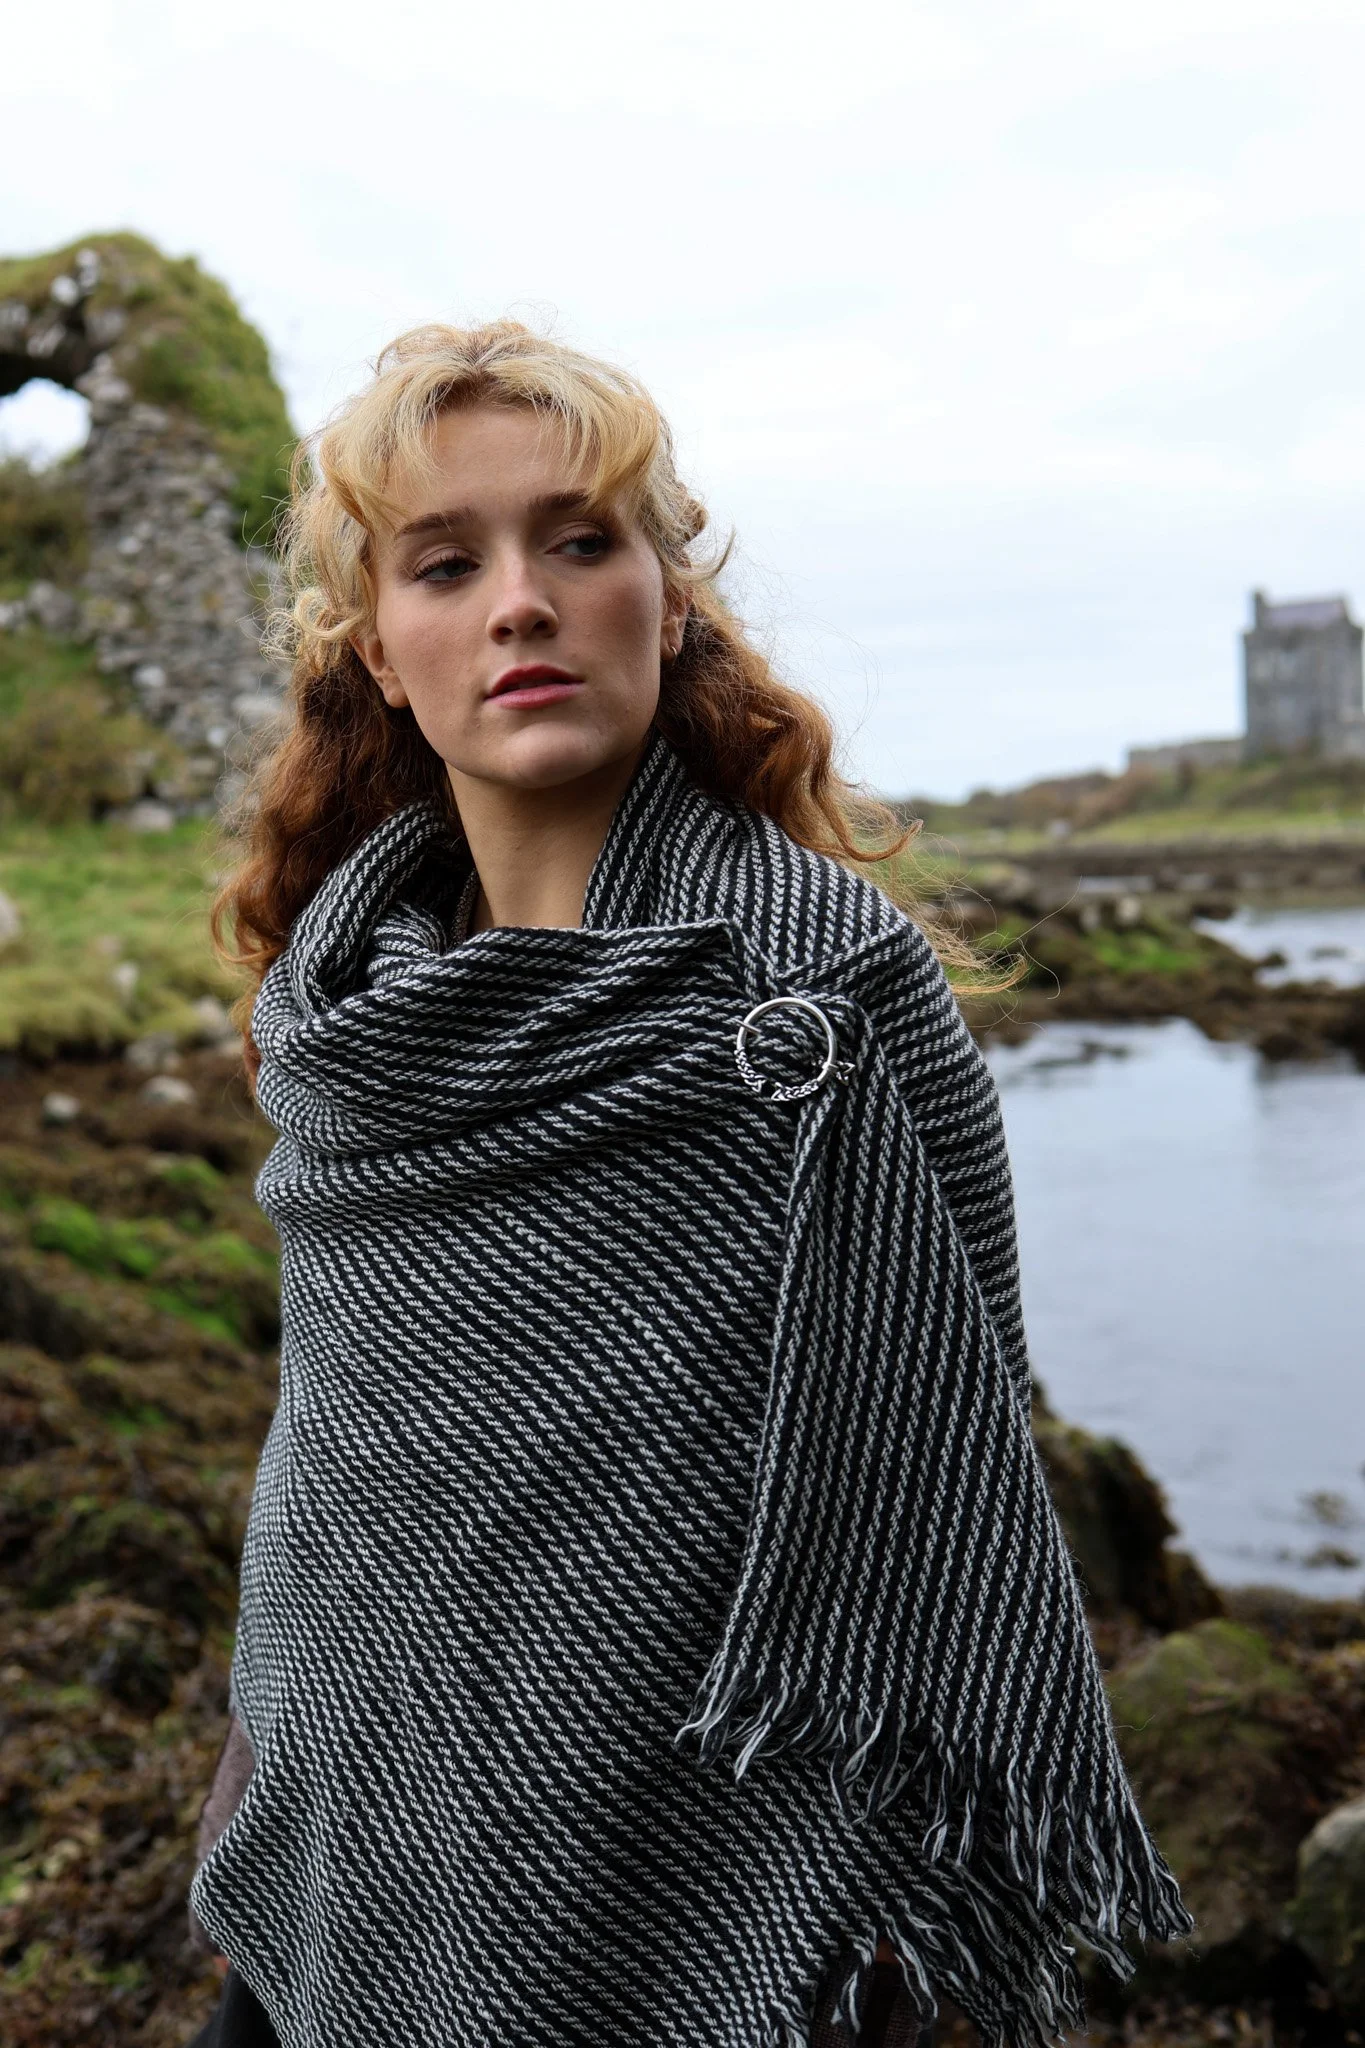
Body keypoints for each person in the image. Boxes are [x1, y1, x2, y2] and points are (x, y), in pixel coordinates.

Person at [190, 321, 1190, 2048]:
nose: (523, 600)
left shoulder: (828, 1000)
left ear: (667, 595)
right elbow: (337, 1486)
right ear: (379, 648)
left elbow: (939, 1478)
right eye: (449, 561)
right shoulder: (344, 1025)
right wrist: (263, 1760)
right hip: (346, 1842)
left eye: (581, 540)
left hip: (742, 1889)